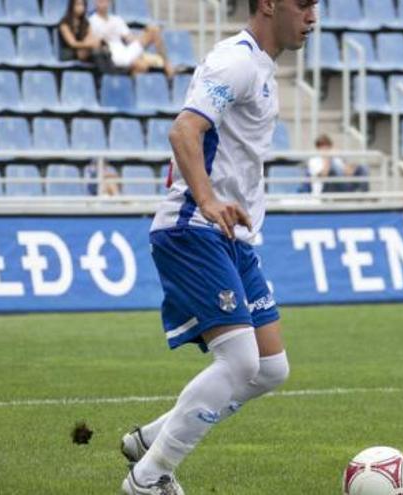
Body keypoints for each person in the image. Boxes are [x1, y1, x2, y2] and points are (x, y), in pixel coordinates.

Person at [118, 1, 316, 493]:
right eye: (304, 4)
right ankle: (149, 477)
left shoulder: (262, 68)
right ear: (268, 4)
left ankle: (152, 439)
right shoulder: (236, 60)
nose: (313, 15)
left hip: (233, 236)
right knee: (241, 362)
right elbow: (185, 128)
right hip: (194, 228)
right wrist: (207, 200)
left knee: (270, 368)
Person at [88, 0, 175, 78]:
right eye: (100, 1)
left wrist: (145, 32)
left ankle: (167, 64)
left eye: (105, 1)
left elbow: (130, 38)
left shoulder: (117, 19)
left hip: (123, 49)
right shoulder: (91, 21)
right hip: (110, 53)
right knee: (141, 65)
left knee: (153, 31)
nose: (103, 3)